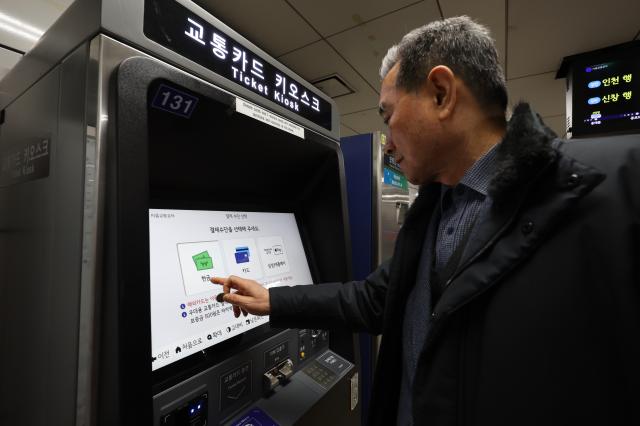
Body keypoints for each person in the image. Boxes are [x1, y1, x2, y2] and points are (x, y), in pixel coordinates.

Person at [212, 16, 640, 426]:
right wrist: (273, 300)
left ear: (440, 93)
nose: (389, 138)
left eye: (388, 115)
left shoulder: (606, 185)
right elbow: (374, 301)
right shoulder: (435, 208)